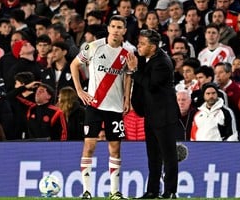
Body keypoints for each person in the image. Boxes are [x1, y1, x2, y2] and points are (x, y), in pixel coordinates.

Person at [70, 15, 133, 199]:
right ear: (108, 28)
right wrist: (80, 90)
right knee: (89, 145)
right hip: (94, 105)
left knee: (115, 148)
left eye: (119, 27)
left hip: (114, 107)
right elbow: (74, 65)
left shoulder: (128, 52)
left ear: (124, 30)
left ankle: (114, 192)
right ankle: (86, 192)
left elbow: (128, 75)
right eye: (113, 26)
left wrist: (127, 99)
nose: (115, 30)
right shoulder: (94, 46)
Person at [126, 29, 180, 199]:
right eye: (139, 43)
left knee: (168, 155)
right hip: (150, 114)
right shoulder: (145, 58)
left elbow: (151, 85)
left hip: (164, 116)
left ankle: (170, 191)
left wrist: (135, 71)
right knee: (153, 156)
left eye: (142, 44)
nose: (138, 46)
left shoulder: (163, 62)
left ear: (153, 46)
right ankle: (152, 191)